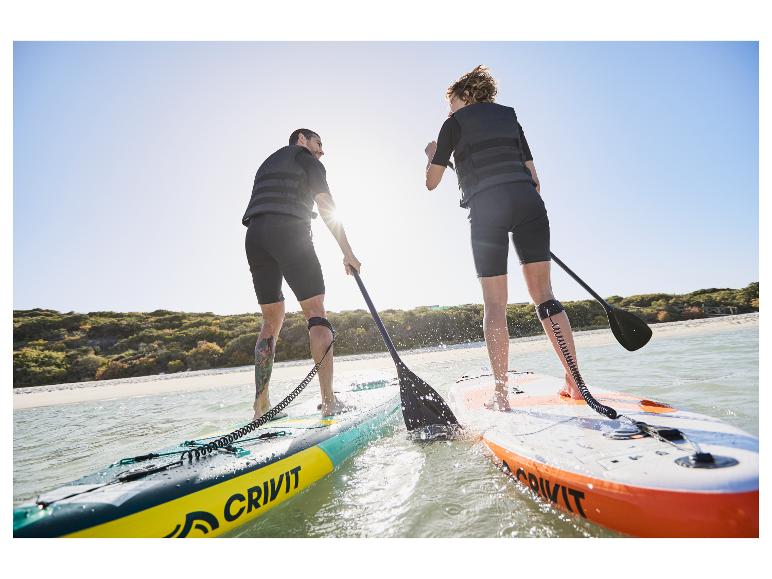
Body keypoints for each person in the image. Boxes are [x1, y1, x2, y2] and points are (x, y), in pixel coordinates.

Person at [424, 65, 585, 411]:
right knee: (545, 296)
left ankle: (501, 396)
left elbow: (432, 181)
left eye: (450, 102)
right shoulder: (511, 118)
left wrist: (432, 155)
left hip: (487, 211)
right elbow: (534, 178)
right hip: (529, 205)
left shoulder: (453, 124)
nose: (447, 110)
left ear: (464, 97)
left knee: (495, 304)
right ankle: (574, 381)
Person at [243, 128, 360, 419]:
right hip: (290, 232)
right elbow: (324, 204)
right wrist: (347, 251)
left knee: (270, 321)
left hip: (255, 237)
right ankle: (329, 402)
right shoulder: (308, 160)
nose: (321, 151)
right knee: (316, 313)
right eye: (318, 144)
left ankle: (260, 407)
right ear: (302, 140)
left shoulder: (268, 163)